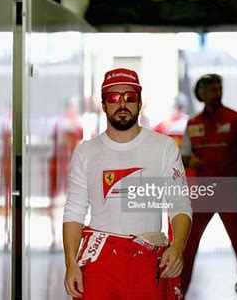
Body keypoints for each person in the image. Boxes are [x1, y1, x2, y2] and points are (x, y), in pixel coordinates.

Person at [62, 68, 192, 299]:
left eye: (129, 97)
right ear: (103, 104)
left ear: (139, 103)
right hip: (99, 261)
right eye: (113, 97)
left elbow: (179, 204)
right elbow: (74, 212)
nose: (122, 103)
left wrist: (177, 246)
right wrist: (71, 264)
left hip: (148, 259)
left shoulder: (164, 147)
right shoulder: (86, 152)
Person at [180, 74, 237, 294]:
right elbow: (184, 155)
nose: (217, 93)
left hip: (231, 192)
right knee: (186, 248)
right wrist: (189, 160)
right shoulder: (193, 123)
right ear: (201, 94)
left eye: (219, 88)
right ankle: (177, 294)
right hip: (203, 193)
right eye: (212, 90)